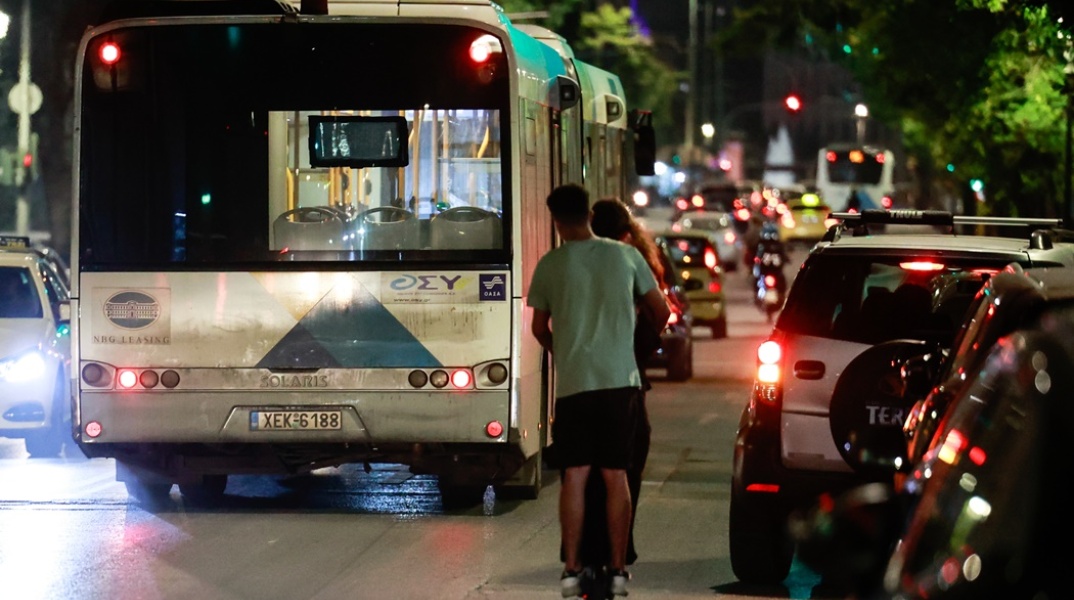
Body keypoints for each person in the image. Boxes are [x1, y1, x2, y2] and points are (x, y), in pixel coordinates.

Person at [528, 184, 669, 599]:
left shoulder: (550, 265)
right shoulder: (625, 256)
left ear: (556, 221)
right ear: (589, 214)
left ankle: (572, 570)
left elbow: (539, 328)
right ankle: (619, 569)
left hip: (574, 386)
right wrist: (628, 343)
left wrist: (564, 351)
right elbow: (660, 311)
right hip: (619, 383)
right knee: (615, 475)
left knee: (575, 475)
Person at [581, 197, 664, 568]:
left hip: (581, 380)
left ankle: (581, 551)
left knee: (581, 470)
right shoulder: (635, 263)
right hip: (627, 380)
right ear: (627, 235)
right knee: (626, 467)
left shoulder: (572, 262)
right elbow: (660, 313)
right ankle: (619, 549)